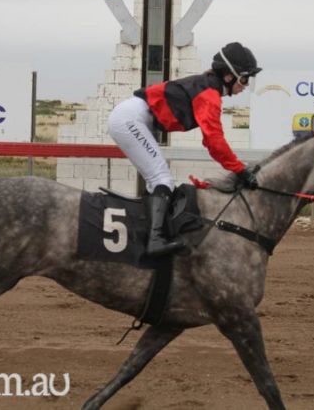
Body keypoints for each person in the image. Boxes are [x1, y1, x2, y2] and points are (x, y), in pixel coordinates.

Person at [107, 42, 262, 257]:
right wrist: (240, 170)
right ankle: (154, 241)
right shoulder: (209, 95)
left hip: (132, 117)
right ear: (228, 76)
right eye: (244, 79)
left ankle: (149, 233)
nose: (245, 85)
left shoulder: (209, 89)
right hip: (130, 119)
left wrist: (236, 168)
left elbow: (211, 143)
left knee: (157, 180)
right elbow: (214, 141)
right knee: (162, 179)